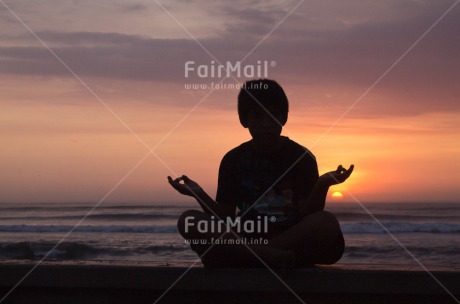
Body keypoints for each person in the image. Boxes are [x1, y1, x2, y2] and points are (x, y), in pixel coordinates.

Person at [168, 79, 353, 269]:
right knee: (189, 221)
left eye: (273, 116)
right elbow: (225, 215)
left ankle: (253, 256)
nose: (266, 124)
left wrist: (323, 184)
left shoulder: (301, 157)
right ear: (244, 120)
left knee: (326, 222)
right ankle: (267, 256)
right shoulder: (233, 159)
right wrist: (198, 193)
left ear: (283, 118)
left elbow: (307, 214)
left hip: (288, 239)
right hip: (247, 235)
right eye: (257, 116)